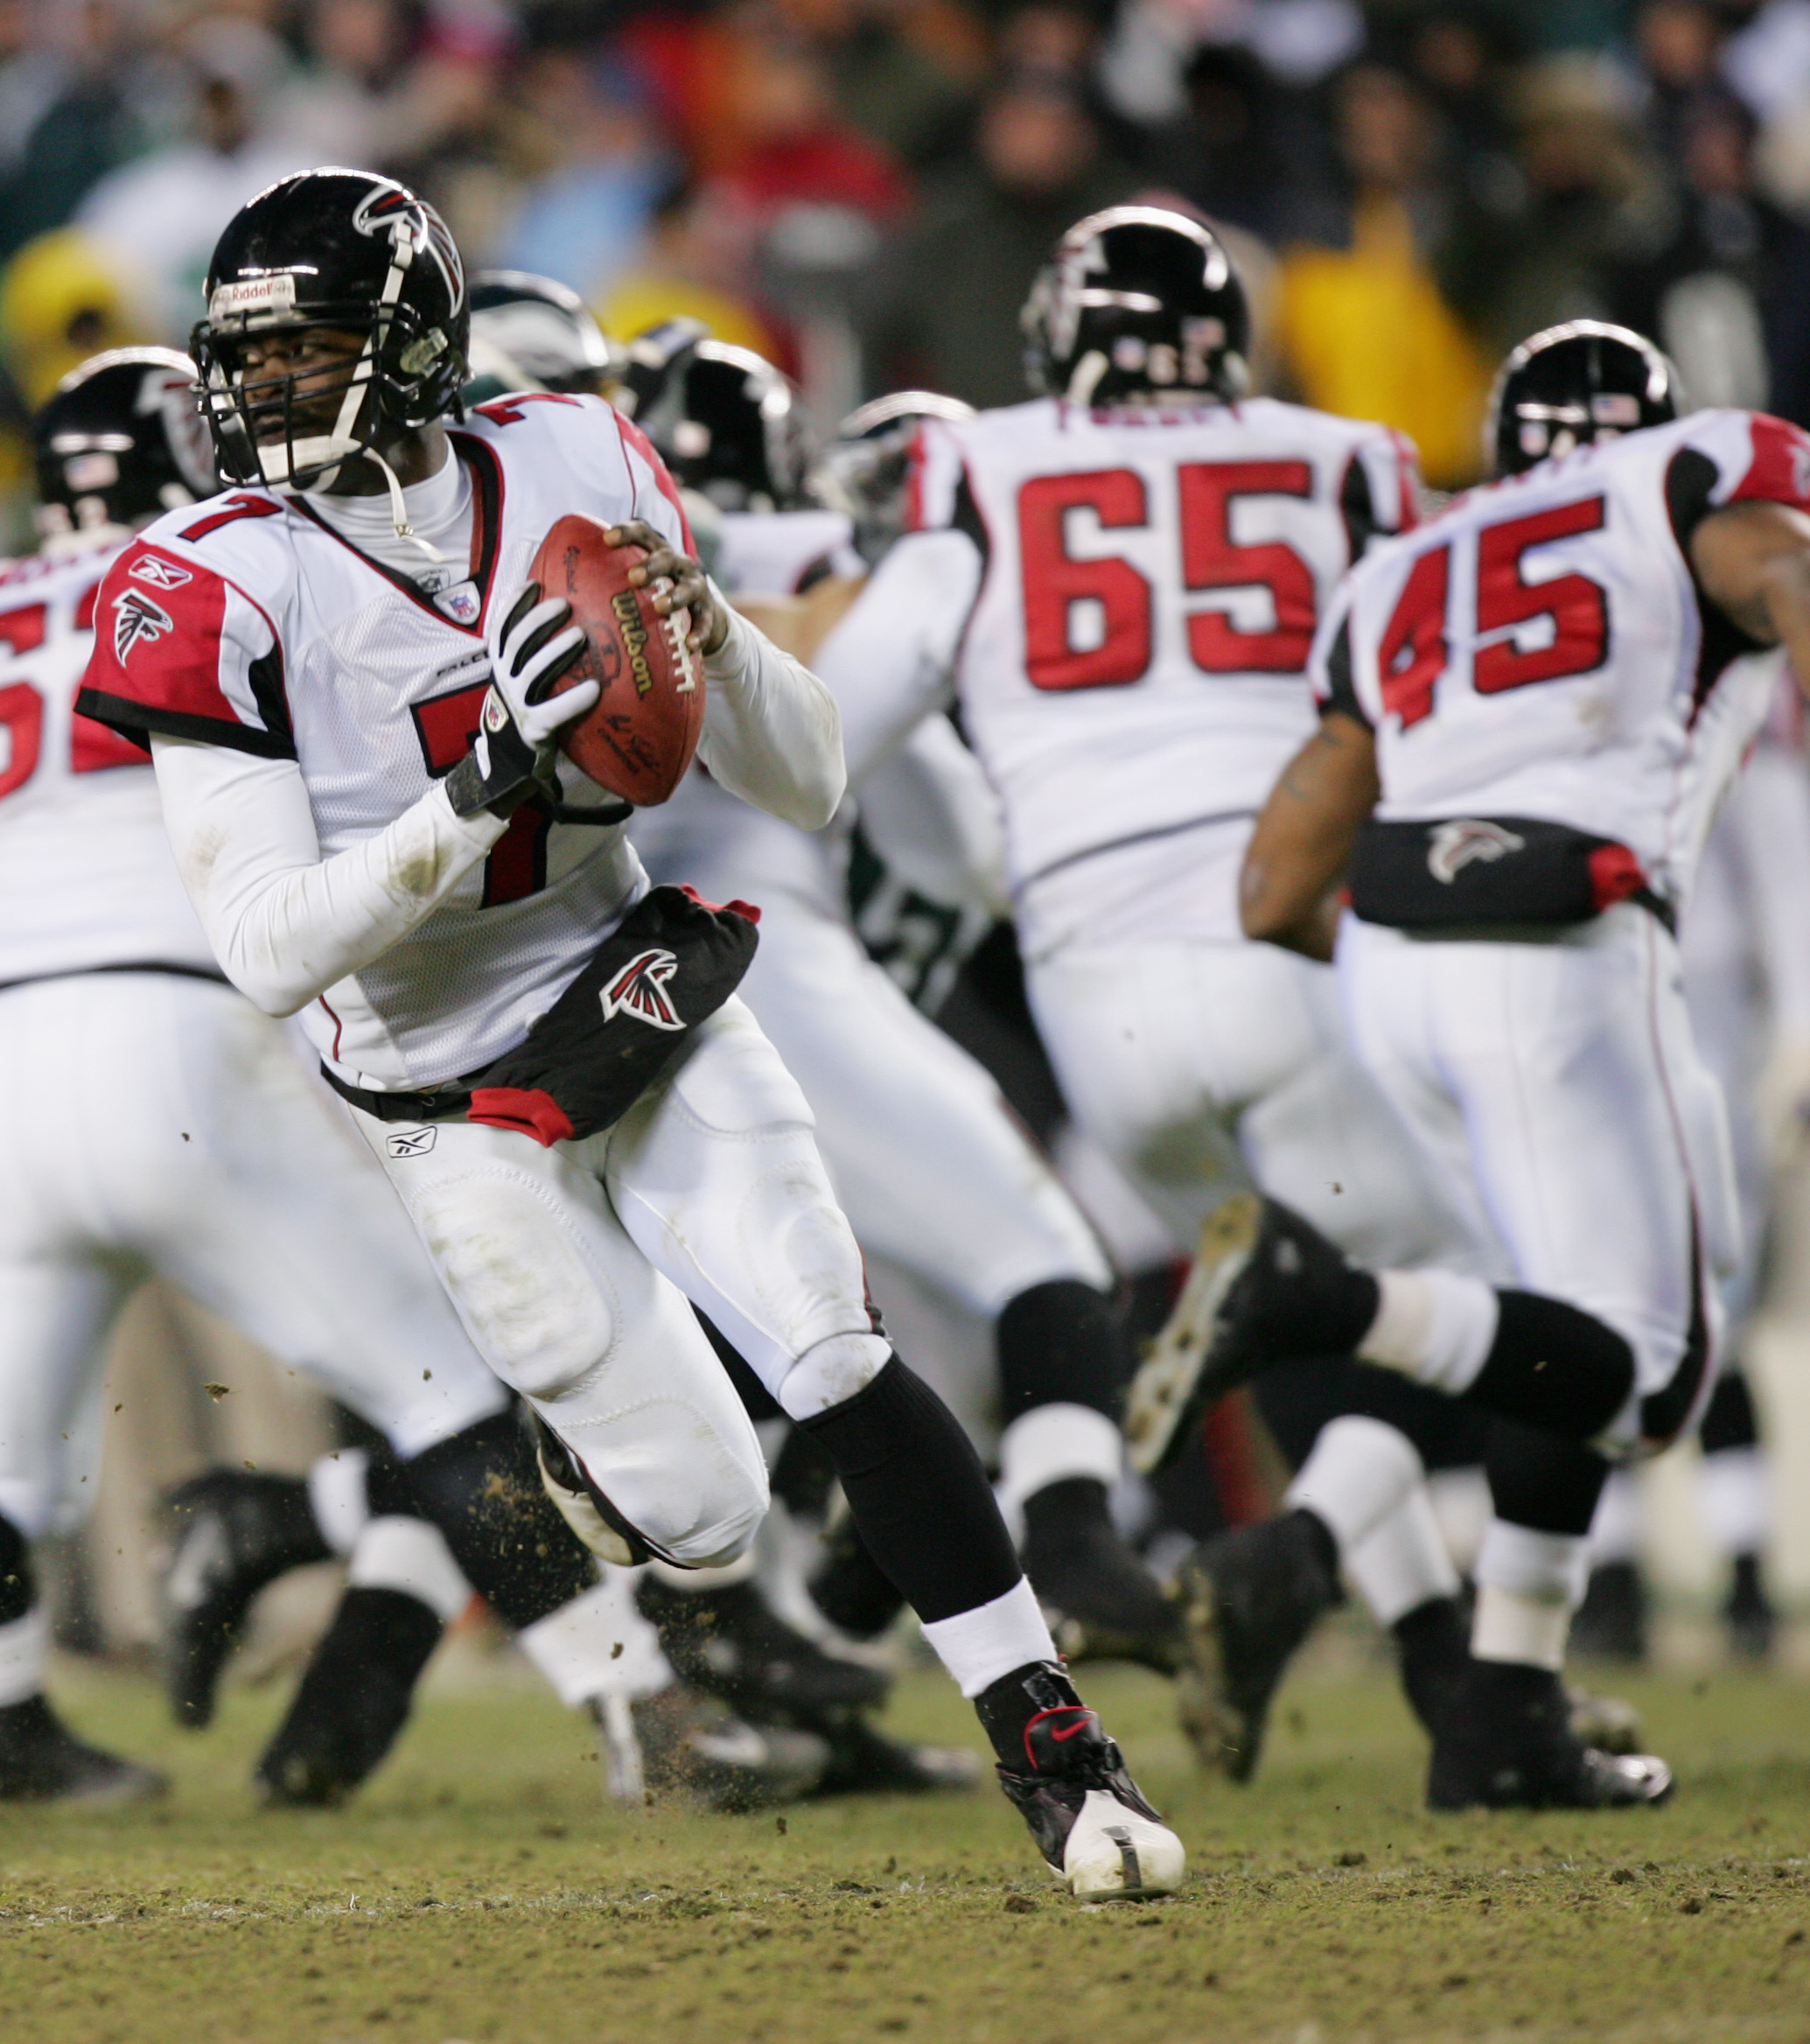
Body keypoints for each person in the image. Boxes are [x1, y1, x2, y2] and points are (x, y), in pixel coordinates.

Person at [75, 168, 1180, 1900]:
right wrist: (488, 777)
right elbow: (269, 947)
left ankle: (1054, 1743)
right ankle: (537, 1480)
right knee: (715, 1514)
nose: (261, 387)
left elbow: (806, 775)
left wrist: (703, 626)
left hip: (629, 984)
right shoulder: (211, 577)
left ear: (417, 343)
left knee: (831, 1342)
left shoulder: (578, 464)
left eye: (304, 347)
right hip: (440, 1089)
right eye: (243, 353)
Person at [0, 346, 828, 1815]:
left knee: (3, 1465)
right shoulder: (219, 572)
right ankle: (647, 1708)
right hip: (172, 1029)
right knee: (455, 1391)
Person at [807, 207, 1499, 1786]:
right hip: (1293, 947)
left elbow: (836, 728)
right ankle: (1303, 1563)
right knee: (1459, 1297)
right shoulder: (1351, 462)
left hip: (1094, 999)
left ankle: (1444, 1672)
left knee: (1319, 1295)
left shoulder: (975, 470)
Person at [1135, 320, 1810, 1810]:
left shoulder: (1404, 568)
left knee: (1551, 1340)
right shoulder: (1694, 472)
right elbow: (1782, 574)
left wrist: (1423, 960)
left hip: (1391, 953)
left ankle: (1503, 1710)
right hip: (1570, 924)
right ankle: (1317, 1300)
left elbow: (1272, 887)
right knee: (1648, 1376)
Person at [619, 332, 1179, 1672]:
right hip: (772, 953)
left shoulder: (569, 547)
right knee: (1035, 1269)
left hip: (593, 978)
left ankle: (772, 1645)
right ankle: (1079, 1547)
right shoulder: (834, 557)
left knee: (765, 1346)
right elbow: (963, 841)